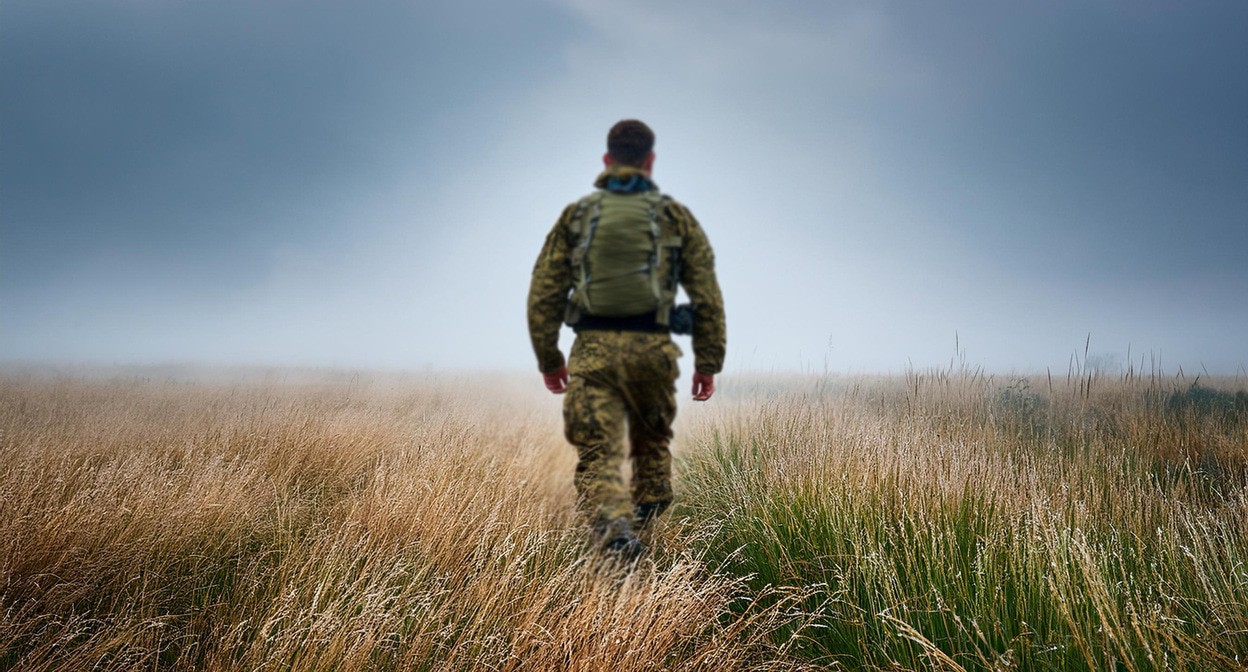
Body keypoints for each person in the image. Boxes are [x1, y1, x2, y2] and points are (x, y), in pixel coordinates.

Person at [526, 119, 726, 561]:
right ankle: (647, 525)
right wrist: (707, 363)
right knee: (652, 440)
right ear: (650, 161)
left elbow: (544, 293)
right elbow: (707, 295)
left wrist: (549, 359)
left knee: (598, 450)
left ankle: (615, 533)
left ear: (607, 159)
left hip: (594, 352)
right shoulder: (675, 216)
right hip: (653, 353)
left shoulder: (577, 216)